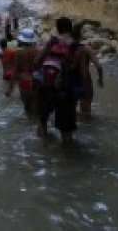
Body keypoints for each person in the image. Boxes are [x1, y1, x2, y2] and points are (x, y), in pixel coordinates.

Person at [33, 16, 79, 144]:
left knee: (42, 122)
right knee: (66, 131)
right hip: (65, 89)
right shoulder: (76, 45)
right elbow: (77, 69)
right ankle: (68, 159)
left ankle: (43, 155)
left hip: (46, 84)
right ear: (70, 28)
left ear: (58, 28)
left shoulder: (52, 42)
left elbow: (37, 61)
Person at [72, 23, 104, 120]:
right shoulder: (86, 49)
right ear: (81, 35)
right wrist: (100, 79)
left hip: (71, 82)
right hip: (85, 82)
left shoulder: (67, 48)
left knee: (70, 114)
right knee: (86, 115)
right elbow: (99, 66)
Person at [14, 28, 39, 118]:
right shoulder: (38, 52)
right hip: (36, 80)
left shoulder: (19, 53)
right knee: (37, 108)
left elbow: (16, 70)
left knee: (27, 108)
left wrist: (10, 87)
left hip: (23, 81)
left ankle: (28, 123)